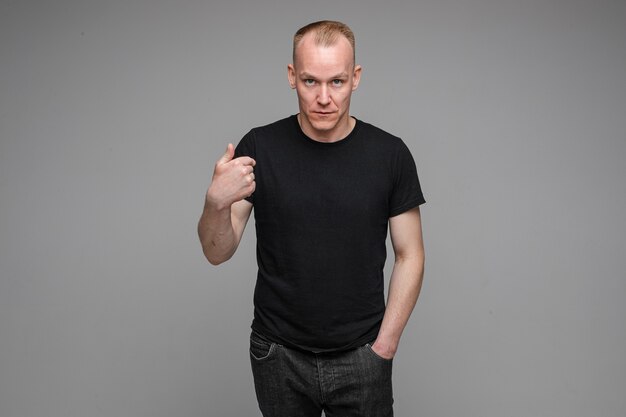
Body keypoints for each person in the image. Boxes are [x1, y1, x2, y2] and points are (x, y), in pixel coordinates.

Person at [198, 20, 425, 417]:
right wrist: (215, 202)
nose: (323, 97)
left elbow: (411, 255)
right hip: (278, 354)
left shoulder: (390, 155)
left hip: (362, 353)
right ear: (292, 77)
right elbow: (218, 251)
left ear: (355, 78)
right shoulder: (259, 148)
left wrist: (385, 346)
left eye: (336, 82)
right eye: (310, 82)